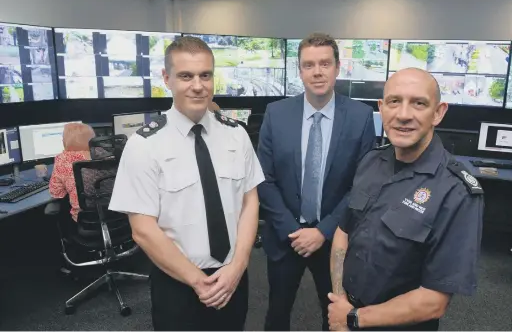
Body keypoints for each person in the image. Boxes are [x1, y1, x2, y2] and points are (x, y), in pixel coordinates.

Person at [108, 36, 264, 331]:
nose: (197, 85)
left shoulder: (236, 135)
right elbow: (142, 230)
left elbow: (250, 201)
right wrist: (197, 281)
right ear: (166, 78)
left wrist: (238, 266)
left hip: (232, 278)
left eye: (205, 75)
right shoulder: (144, 145)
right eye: (186, 76)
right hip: (177, 284)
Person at [327, 68, 484, 331]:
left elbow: (433, 301)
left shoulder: (456, 191)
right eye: (394, 101)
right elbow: (343, 233)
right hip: (347, 314)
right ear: (381, 107)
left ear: (438, 112)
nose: (403, 115)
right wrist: (340, 300)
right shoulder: (370, 162)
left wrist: (353, 318)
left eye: (419, 103)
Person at [257, 32, 376, 331]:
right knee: (277, 313)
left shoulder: (361, 117)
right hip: (287, 239)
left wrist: (321, 232)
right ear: (299, 70)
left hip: (336, 239)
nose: (317, 71)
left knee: (335, 317)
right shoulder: (276, 113)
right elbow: (264, 179)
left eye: (325, 63)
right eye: (309, 65)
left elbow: (362, 185)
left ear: (338, 67)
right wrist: (294, 231)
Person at [49, 122, 96, 222]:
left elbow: (57, 193)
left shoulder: (62, 159)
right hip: (117, 216)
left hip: (86, 219)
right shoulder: (104, 154)